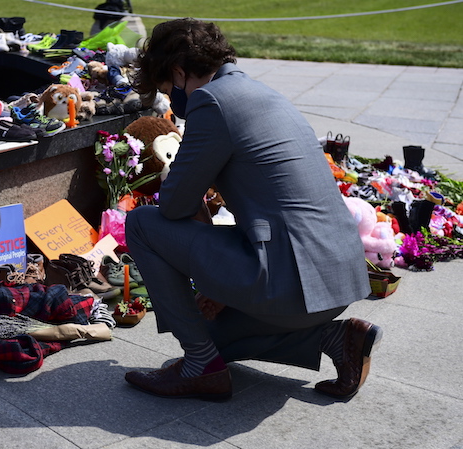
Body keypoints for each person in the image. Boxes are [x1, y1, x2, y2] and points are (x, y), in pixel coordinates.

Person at [124, 18, 382, 401]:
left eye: (167, 89)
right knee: (214, 336)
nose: (174, 104)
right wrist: (219, 282)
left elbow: (175, 204)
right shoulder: (265, 93)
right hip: (335, 279)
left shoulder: (211, 101)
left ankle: (199, 368)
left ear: (179, 73)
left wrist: (212, 271)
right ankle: (335, 336)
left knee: (142, 223)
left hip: (291, 281)